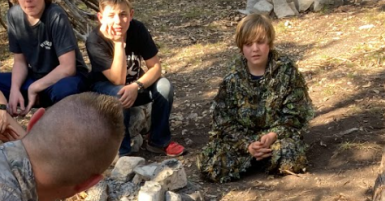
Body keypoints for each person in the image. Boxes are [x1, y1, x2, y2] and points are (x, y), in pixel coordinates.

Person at [198, 13, 314, 183]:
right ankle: (257, 159)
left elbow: (296, 114)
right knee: (211, 165)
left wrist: (273, 135)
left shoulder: (286, 70)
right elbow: (223, 121)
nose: (255, 49)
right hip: (243, 140)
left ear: (270, 43)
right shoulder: (233, 77)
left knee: (290, 156)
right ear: (241, 47)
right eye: (248, 44)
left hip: (276, 137)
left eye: (260, 42)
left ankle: (261, 159)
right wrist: (248, 145)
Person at [85, 0, 184, 157]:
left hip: (134, 87)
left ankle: (158, 141)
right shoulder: (95, 40)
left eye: (123, 14)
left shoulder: (137, 29)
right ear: (101, 17)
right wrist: (118, 42)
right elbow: (118, 80)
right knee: (120, 93)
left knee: (164, 86)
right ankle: (123, 152)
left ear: (131, 15)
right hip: (104, 90)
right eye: (111, 15)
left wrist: (137, 86)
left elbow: (156, 67)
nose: (118, 21)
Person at [0, 0, 88, 117]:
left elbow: (68, 68)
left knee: (65, 90)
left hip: (64, 79)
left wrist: (34, 87)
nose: (28, 1)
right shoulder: (14, 15)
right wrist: (14, 90)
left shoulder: (56, 15)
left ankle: (61, 127)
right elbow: (20, 61)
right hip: (35, 76)